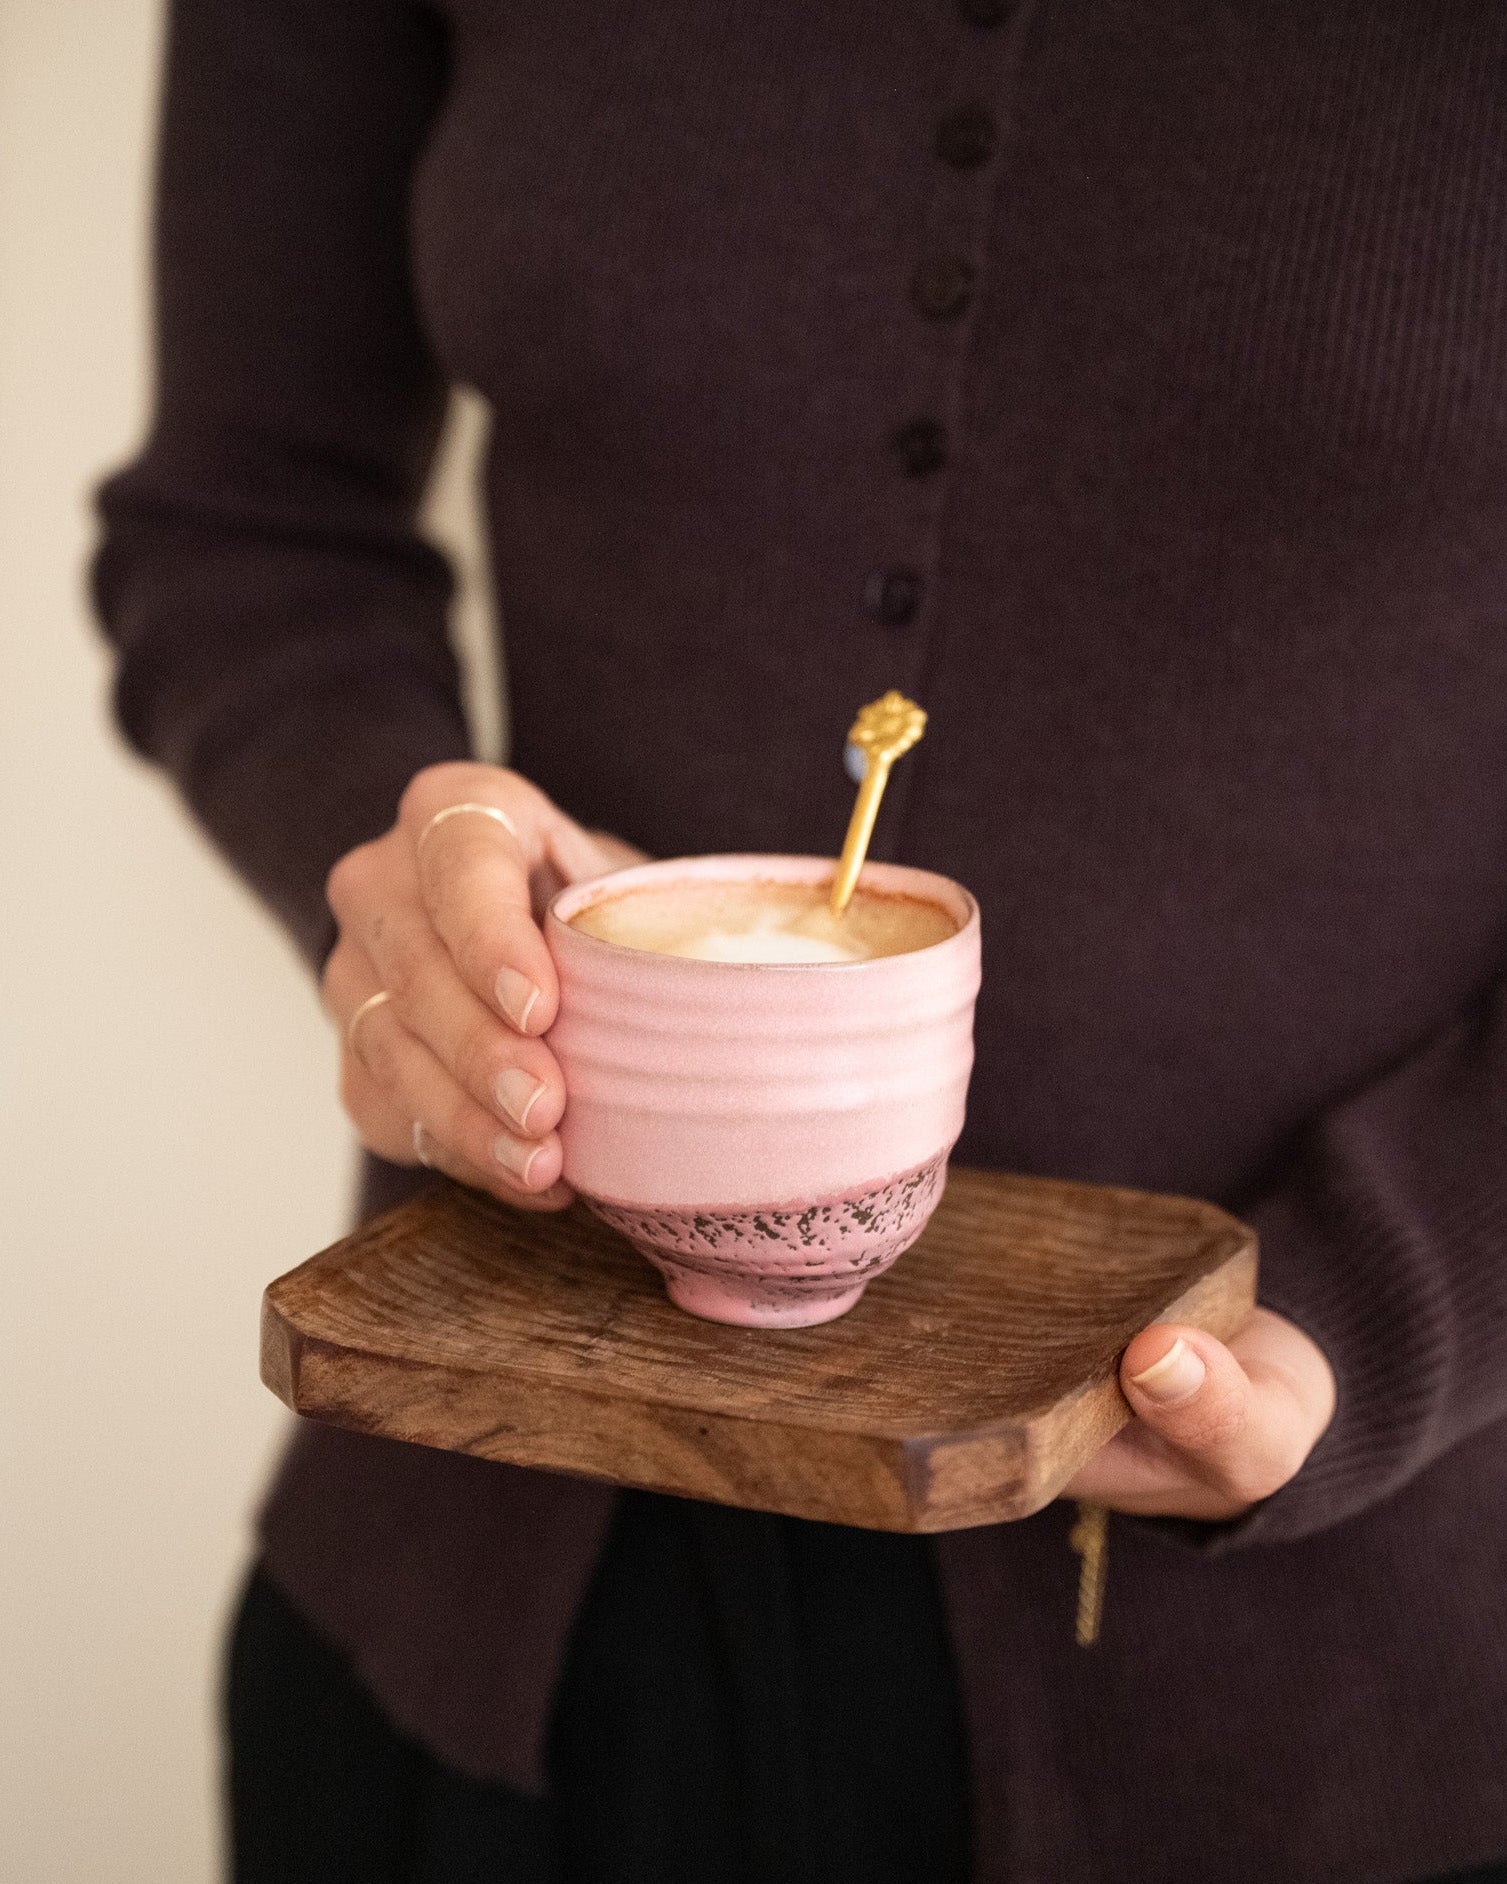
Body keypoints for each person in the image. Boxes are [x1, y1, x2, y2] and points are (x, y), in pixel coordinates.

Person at [93, 1, 1507, 1879]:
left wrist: (1387, 1307)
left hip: (1315, 1694)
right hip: (476, 1607)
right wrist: (405, 863)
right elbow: (246, 526)